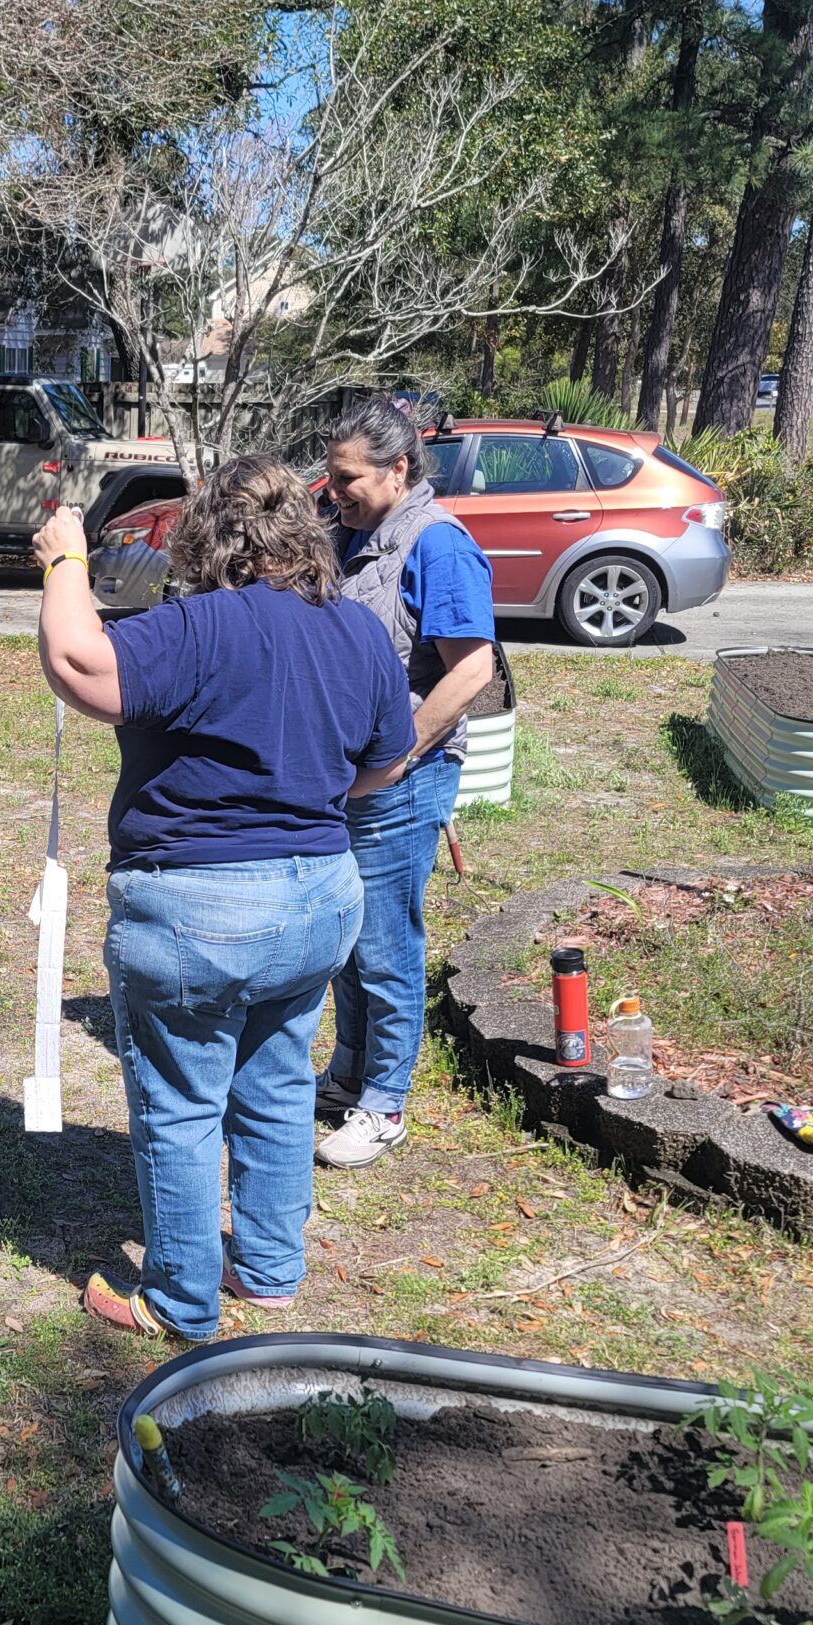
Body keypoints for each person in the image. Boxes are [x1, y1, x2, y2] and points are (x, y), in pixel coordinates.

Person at [32, 460, 414, 1341]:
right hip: (320, 900)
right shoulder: (357, 629)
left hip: (198, 909)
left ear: (206, 536)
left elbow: (80, 663)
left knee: (179, 1104)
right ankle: (271, 1272)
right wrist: (314, 795)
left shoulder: (198, 626)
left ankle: (179, 1300)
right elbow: (390, 759)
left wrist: (65, 562)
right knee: (277, 1084)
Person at [312, 397, 504, 1170]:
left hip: (402, 781)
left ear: (399, 469)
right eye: (330, 476)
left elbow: (473, 670)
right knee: (348, 938)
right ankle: (348, 1073)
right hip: (345, 777)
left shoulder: (439, 545)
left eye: (347, 478)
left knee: (386, 944)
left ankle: (384, 1103)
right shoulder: (349, 532)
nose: (333, 491)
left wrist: (399, 756)